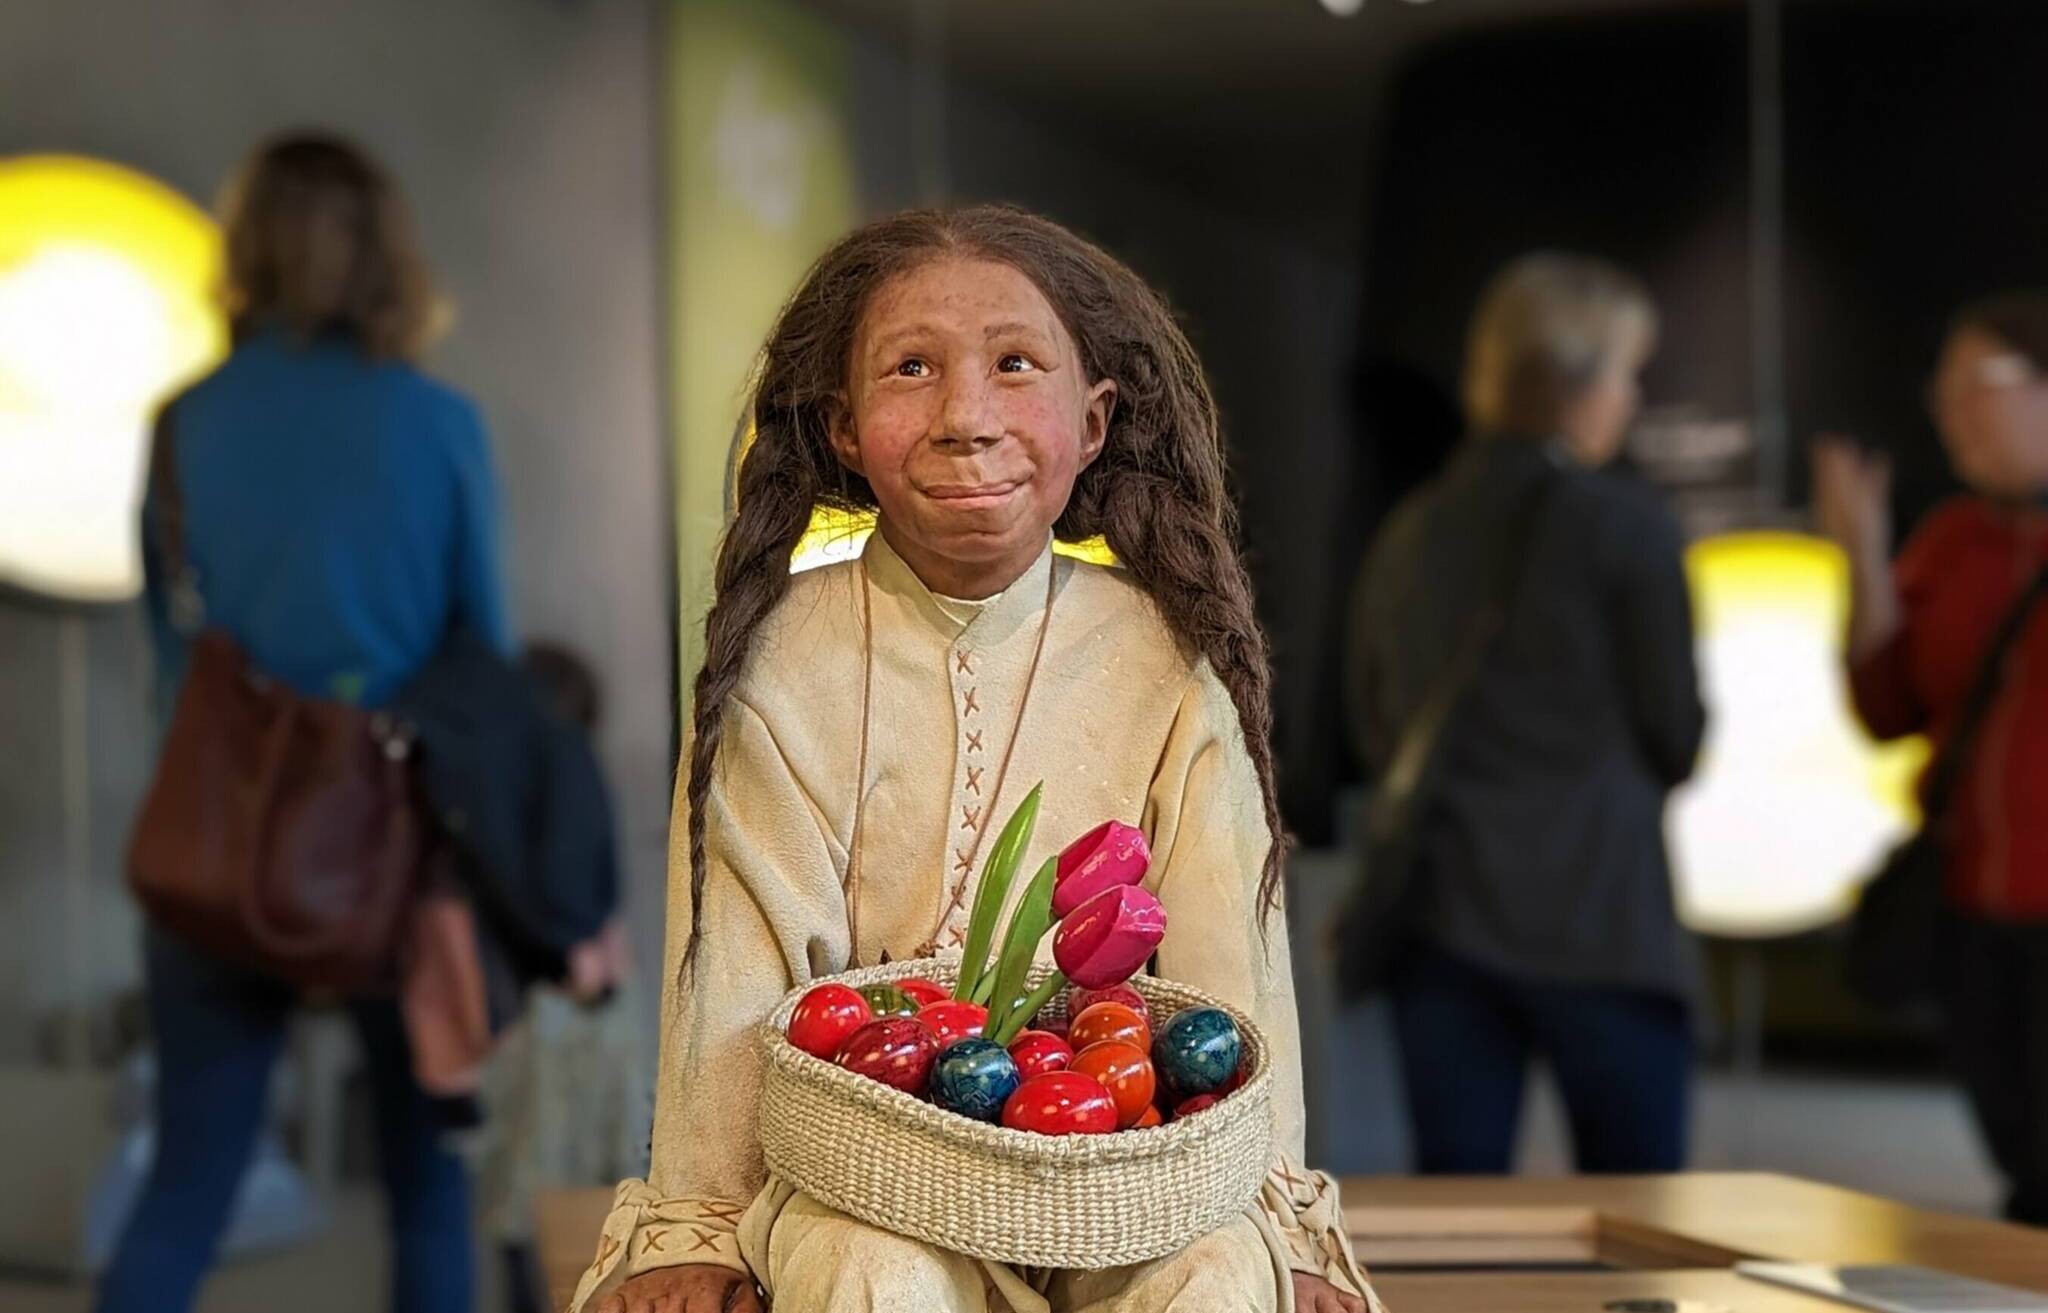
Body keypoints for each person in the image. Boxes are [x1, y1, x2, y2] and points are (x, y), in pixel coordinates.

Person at [574, 206, 1377, 1313]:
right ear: (844, 426)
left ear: (1091, 419)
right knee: (873, 1278)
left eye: (1014, 363)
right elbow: (734, 974)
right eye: (910, 368)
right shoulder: (777, 658)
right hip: (859, 1181)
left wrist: (1276, 1213)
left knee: (1211, 1275)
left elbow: (1233, 981)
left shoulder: (1169, 659)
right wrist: (700, 1221)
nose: (964, 416)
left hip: (1123, 1171)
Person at [100, 132, 509, 1313]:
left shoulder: (184, 422)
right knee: (427, 1185)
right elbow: (479, 654)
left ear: (248, 251)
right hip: (398, 845)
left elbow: (171, 652)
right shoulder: (437, 423)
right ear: (388, 255)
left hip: (212, 837)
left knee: (185, 1185)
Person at [1346, 253, 1704, 1175]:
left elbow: (1376, 721)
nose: (1629, 398)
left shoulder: (1410, 530)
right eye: (1627, 372)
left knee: (1461, 1218)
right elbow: (1677, 734)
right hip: (1604, 921)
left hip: (1446, 921)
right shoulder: (1629, 524)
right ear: (1577, 383)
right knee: (1641, 1223)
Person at [1816, 291, 2048, 1226]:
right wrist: (1862, 555)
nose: (1953, 409)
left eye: (1978, 384)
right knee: (2024, 1160)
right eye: (1944, 389)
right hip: (1977, 912)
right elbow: (1885, 709)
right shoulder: (1954, 538)